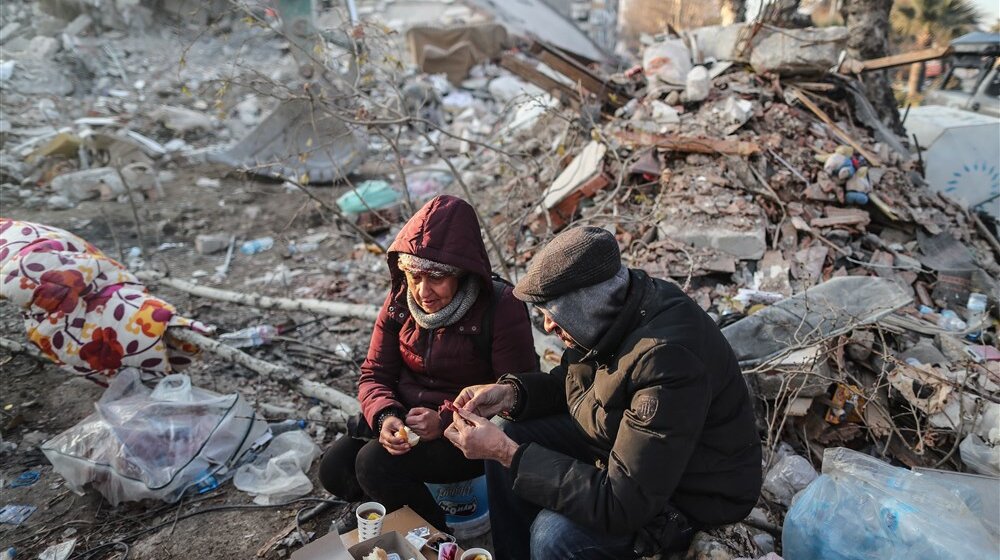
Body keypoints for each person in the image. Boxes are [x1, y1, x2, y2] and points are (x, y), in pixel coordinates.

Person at [444, 226, 762, 560]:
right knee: (513, 430)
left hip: (693, 496)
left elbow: (623, 504)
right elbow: (575, 382)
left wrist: (508, 453)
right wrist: (511, 394)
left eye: (554, 313)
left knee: (553, 535)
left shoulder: (667, 358)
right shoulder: (613, 312)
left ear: (587, 303)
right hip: (632, 453)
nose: (549, 327)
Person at [319, 195, 537, 532]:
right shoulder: (400, 300)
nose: (423, 291)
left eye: (436, 278)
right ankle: (388, 503)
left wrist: (445, 419)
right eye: (414, 276)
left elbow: (518, 392)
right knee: (335, 467)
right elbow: (374, 373)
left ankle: (437, 536)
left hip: (465, 432)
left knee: (373, 463)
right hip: (408, 419)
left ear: (463, 274)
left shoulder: (500, 306)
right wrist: (386, 416)